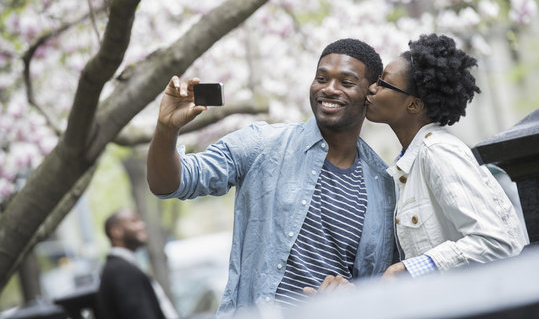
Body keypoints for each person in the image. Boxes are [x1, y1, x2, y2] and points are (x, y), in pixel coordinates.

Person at [147, 39, 396, 315]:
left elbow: (383, 290)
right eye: (321, 78)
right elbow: (169, 184)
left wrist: (351, 296)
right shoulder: (262, 144)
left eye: (346, 83)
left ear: (369, 93)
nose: (329, 89)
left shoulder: (383, 187)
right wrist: (166, 129)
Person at [364, 33, 527, 278]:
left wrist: (411, 268)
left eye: (383, 83)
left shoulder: (438, 152)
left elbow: (496, 241)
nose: (371, 88)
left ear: (414, 105)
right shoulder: (411, 161)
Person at [96, 209, 180, 319]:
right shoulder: (121, 271)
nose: (142, 225)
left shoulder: (122, 267)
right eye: (134, 221)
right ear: (116, 231)